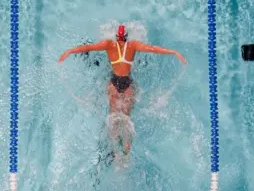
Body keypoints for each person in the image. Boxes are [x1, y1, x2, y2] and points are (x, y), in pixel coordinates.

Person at [58, 25, 188, 163]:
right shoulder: (132, 45)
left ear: (116, 37)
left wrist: (69, 51)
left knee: (113, 119)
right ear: (126, 37)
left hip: (114, 85)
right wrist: (174, 52)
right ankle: (125, 154)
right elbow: (153, 49)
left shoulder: (109, 44)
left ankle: (114, 151)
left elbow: (88, 48)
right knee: (125, 120)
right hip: (128, 86)